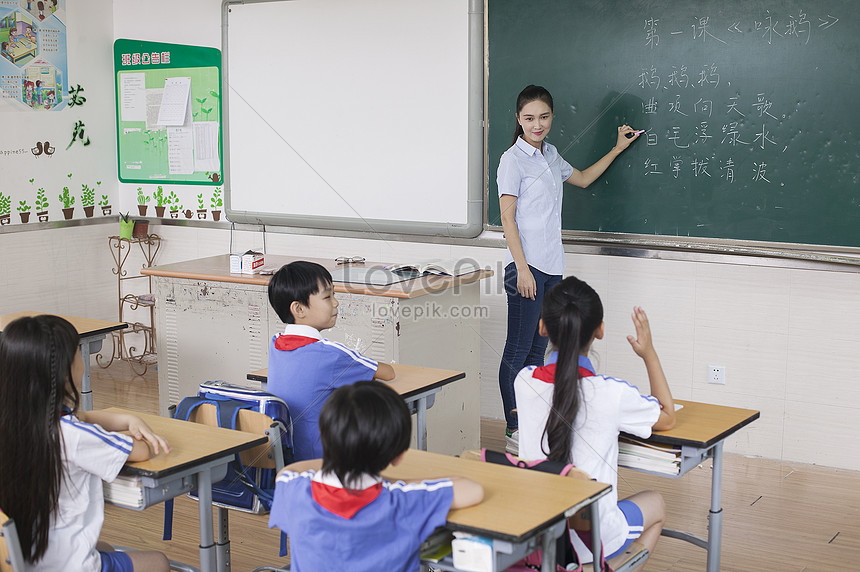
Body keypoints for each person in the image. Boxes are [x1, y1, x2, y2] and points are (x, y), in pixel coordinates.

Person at [497, 85, 640, 454]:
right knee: (517, 351)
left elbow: (583, 178)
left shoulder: (551, 155)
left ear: (552, 117)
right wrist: (522, 268)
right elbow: (507, 218)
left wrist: (618, 148)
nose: (537, 124)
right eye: (529, 118)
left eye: (543, 117)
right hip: (526, 269)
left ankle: (531, 425)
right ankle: (514, 428)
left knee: (538, 351)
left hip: (552, 267)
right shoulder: (512, 160)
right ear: (518, 119)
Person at [514, 276, 675, 568]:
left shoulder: (524, 382)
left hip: (535, 534)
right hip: (595, 538)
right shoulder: (612, 394)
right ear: (599, 330)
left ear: (542, 327)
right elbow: (667, 415)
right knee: (657, 503)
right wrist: (648, 353)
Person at [0, 315, 170, 571]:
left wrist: (128, 418)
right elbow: (141, 449)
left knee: (107, 548)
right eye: (78, 351)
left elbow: (82, 417)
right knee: (159, 562)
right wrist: (129, 428)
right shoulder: (74, 436)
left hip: (25, 558)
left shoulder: (16, 422)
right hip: (67, 564)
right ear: (64, 371)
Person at [269, 381, 483, 571]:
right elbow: (473, 490)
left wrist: (338, 455)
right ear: (398, 456)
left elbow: (289, 472)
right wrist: (402, 483)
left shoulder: (294, 491)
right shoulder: (402, 501)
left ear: (325, 439)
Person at [267, 260, 396, 461]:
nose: (336, 302)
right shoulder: (331, 354)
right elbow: (388, 373)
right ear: (299, 309)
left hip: (286, 459)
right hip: (325, 461)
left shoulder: (276, 343)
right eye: (327, 297)